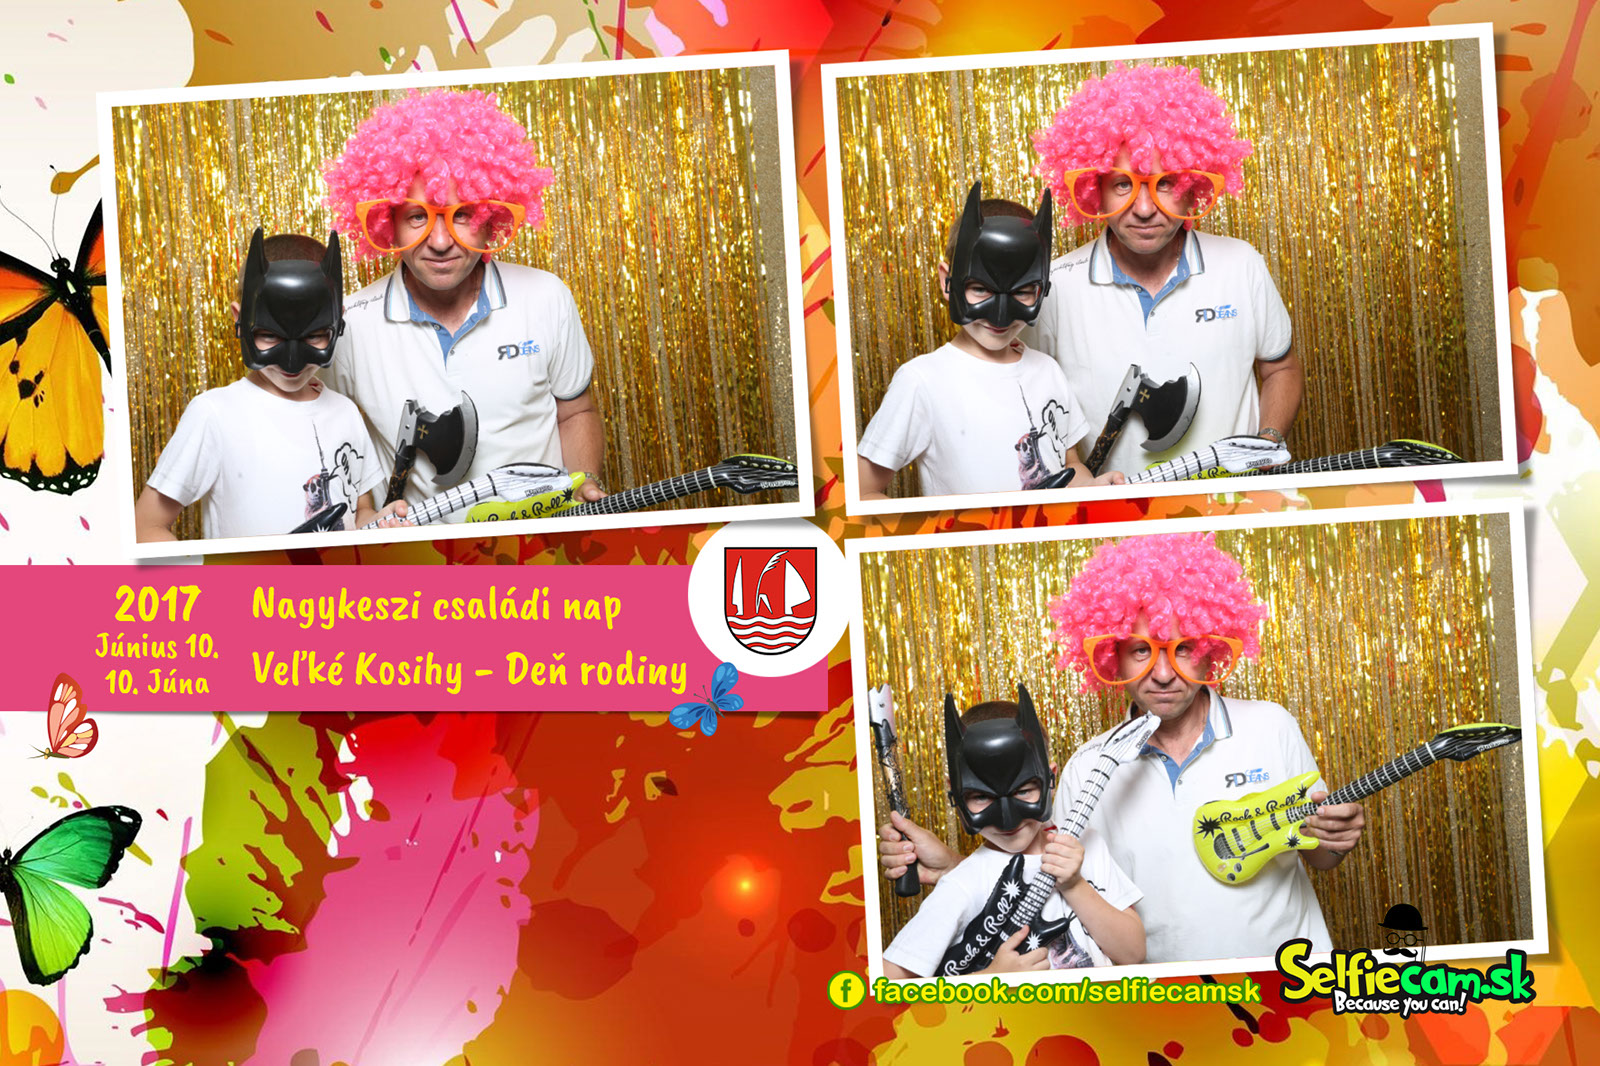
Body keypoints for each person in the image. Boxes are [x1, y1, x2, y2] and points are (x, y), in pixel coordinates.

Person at [879, 533, 1366, 965]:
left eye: (1182, 648)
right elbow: (1049, 883)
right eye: (1140, 650)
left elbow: (1320, 856)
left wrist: (1334, 839)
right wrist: (955, 869)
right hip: (1158, 1003)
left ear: (1211, 648)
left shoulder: (1270, 726)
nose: (1163, 674)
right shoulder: (1088, 768)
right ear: (1112, 656)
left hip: (1290, 980)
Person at [322, 89, 603, 518]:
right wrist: (362, 515)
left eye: (463, 215)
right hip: (422, 555)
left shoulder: (545, 296)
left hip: (542, 540)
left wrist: (584, 487)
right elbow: (320, 430)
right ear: (387, 222)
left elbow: (575, 411)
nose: (439, 242)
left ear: (492, 217)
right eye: (417, 216)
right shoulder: (350, 324)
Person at [1029, 63, 1303, 477]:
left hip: (1233, 499)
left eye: (1166, 183)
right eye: (1123, 184)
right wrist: (1075, 476)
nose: (1143, 209)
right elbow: (1028, 397)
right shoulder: (1056, 285)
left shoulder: (1241, 264)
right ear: (1094, 188)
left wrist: (1266, 444)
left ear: (1194, 187)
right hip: (1112, 506)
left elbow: (1281, 368)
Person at [857, 182, 1126, 500]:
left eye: (1022, 291)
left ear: (1041, 289)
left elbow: (1069, 465)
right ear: (948, 281)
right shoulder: (921, 382)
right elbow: (864, 491)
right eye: (980, 289)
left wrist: (1090, 487)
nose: (1000, 315)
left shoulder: (1048, 371)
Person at [135, 230, 405, 541]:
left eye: (313, 336)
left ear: (337, 323)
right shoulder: (214, 415)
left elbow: (359, 512)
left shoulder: (346, 413)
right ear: (240, 320)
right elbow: (146, 526)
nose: (292, 361)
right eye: (270, 335)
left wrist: (379, 523)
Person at [883, 687, 1144, 979]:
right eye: (982, 797)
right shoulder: (962, 885)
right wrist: (988, 980)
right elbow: (887, 985)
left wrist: (1074, 885)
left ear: (1050, 778)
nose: (1007, 819)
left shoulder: (1088, 845)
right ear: (955, 792)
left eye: (1024, 790)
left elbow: (1133, 953)